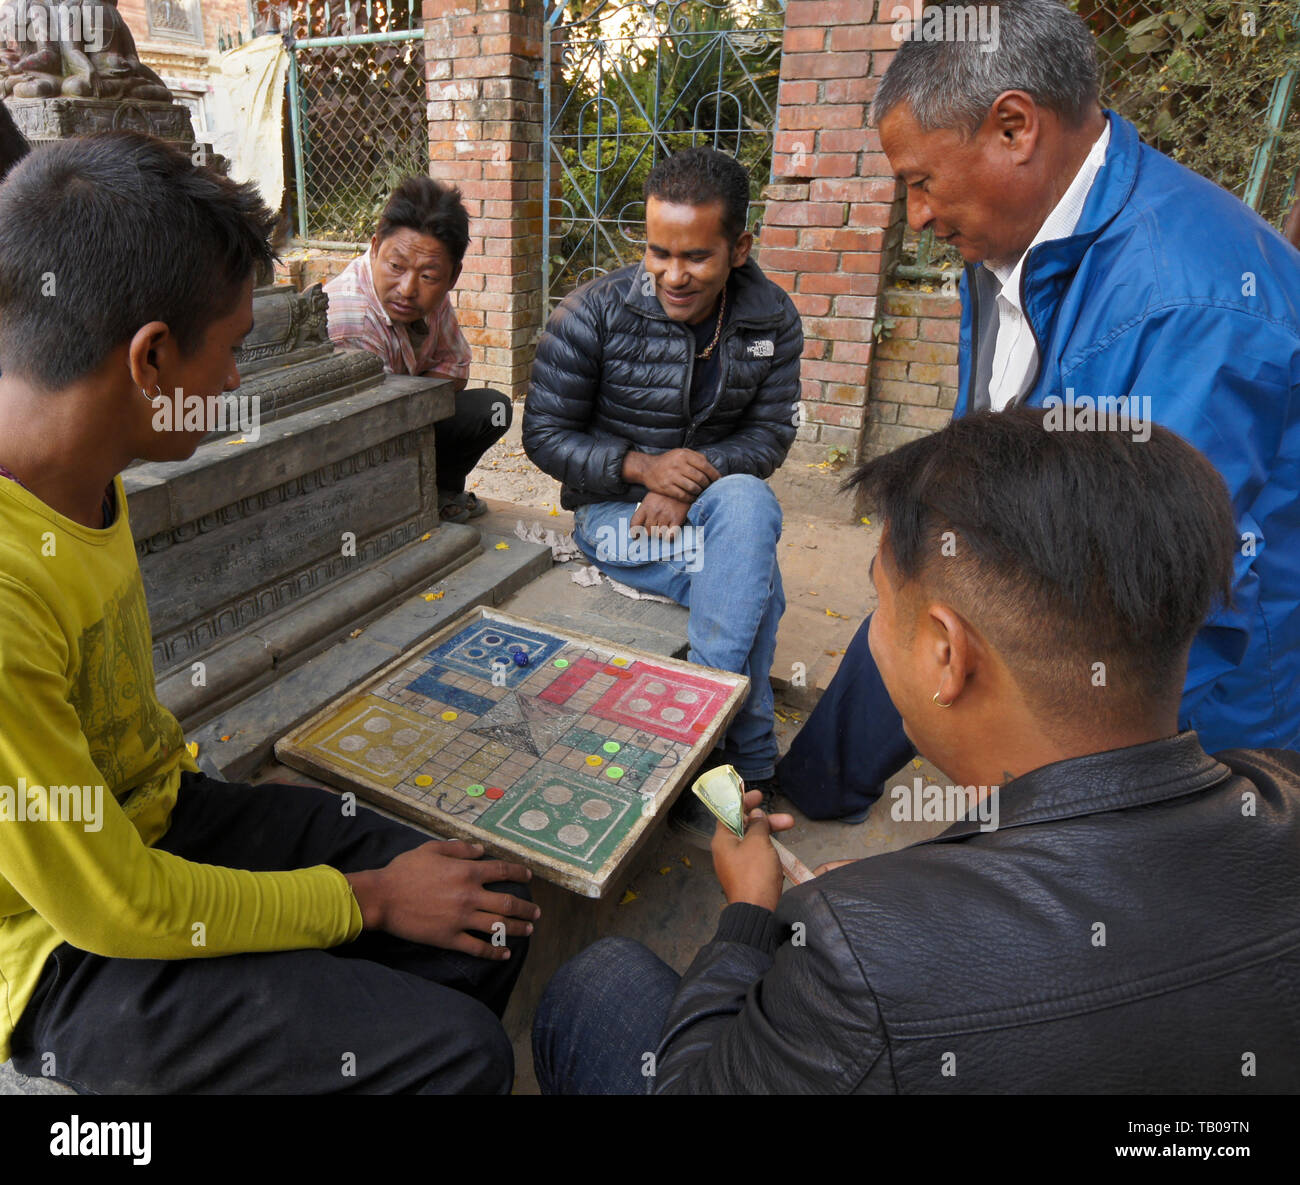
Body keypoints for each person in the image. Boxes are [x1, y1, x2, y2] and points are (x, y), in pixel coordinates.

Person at [532, 408, 1300, 1094]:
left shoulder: (857, 954)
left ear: (946, 653)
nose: (870, 627)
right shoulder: (1281, 788)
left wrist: (748, 917)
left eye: (877, 599)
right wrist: (924, 886)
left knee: (600, 983)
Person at [0, 133, 539, 1094]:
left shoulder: (88, 468)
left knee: (485, 910)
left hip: (166, 814)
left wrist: (293, 854)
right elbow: (110, 901)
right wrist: (363, 900)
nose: (240, 386)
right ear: (152, 358)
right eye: (236, 349)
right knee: (463, 1056)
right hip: (60, 953)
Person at [779, 0, 1300, 821]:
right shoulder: (1018, 233)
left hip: (1195, 709)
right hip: (1045, 585)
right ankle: (809, 790)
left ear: (1014, 128)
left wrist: (1039, 818)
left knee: (1065, 881)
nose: (915, 216)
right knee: (913, 587)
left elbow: (1157, 620)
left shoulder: (1184, 306)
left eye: (920, 181)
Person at [523, 146, 802, 841]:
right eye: (658, 252)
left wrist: (687, 473)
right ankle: (747, 762)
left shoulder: (773, 320)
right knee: (754, 581)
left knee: (748, 506)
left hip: (708, 506)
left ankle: (695, 750)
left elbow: (769, 438)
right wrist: (643, 469)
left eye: (697, 257)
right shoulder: (590, 313)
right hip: (611, 517)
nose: (673, 275)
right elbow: (543, 435)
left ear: (739, 247)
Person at [325, 176, 511, 524]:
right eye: (396, 267)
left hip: (407, 421)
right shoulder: (350, 316)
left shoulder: (431, 298)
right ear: (376, 246)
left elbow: (456, 367)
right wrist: (420, 395)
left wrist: (412, 399)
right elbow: (369, 422)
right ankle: (391, 508)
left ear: (453, 276)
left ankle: (438, 493)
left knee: (494, 409)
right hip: (354, 448)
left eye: (428, 276)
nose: (408, 289)